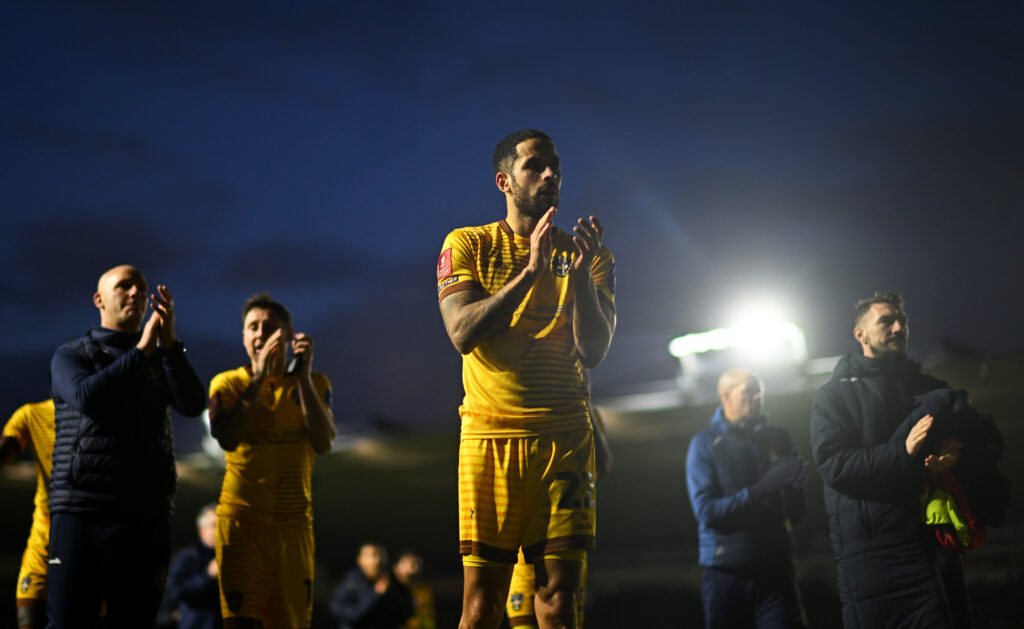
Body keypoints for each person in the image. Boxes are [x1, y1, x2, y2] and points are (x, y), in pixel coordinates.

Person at [437, 129, 616, 629]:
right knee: (482, 605)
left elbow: (595, 351)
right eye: (535, 165)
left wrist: (577, 276)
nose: (550, 174)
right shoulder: (467, 244)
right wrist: (532, 271)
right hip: (491, 438)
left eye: (555, 165)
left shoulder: (592, 254)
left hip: (564, 437)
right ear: (504, 181)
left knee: (559, 599)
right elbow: (461, 332)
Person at [810, 291, 987, 628]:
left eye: (901, 321)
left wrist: (957, 454)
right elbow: (835, 464)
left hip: (933, 552)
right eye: (886, 321)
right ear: (860, 334)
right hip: (873, 565)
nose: (897, 327)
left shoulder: (931, 388)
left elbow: (980, 446)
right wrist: (902, 451)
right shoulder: (834, 395)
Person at [47, 264, 207, 628]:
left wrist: (170, 345)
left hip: (145, 517)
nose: (136, 292)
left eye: (141, 287)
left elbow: (193, 404)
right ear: (98, 300)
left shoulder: (159, 358)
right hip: (82, 511)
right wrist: (143, 348)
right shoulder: (71, 355)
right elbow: (88, 398)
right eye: (124, 286)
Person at [209, 293, 335, 629]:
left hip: (293, 527)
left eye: (270, 326)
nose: (261, 334)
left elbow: (323, 442)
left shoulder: (316, 383)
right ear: (243, 336)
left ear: (289, 334)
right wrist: (260, 379)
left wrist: (304, 378)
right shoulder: (229, 384)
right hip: (242, 523)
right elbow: (228, 437)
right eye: (253, 327)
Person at [686, 369, 809, 629]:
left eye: (759, 392)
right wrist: (762, 489)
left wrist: (796, 490)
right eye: (748, 392)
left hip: (776, 572)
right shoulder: (705, 444)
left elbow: (795, 514)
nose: (757, 397)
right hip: (726, 573)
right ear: (726, 398)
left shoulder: (778, 438)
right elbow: (707, 512)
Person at [505, 401, 613, 629]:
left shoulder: (586, 412)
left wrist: (584, 398)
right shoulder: (519, 401)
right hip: (522, 553)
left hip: (563, 541)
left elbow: (601, 465)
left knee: (562, 617)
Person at [1, 400, 55, 629]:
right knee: (27, 618)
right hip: (42, 541)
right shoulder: (32, 414)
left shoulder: (102, 413)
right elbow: (7, 447)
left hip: (86, 541)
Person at [330, 544, 413, 629]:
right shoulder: (350, 584)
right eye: (372, 556)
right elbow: (348, 616)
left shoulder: (391, 583)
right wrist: (375, 594)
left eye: (381, 556)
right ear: (360, 560)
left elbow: (401, 616)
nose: (377, 560)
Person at [165, 504, 222, 629]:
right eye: (214, 525)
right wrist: (208, 575)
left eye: (223, 525)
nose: (220, 530)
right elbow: (175, 591)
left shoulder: (231, 557)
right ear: (202, 530)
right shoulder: (186, 558)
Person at [392, 552, 436, 629]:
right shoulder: (387, 590)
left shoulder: (424, 592)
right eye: (410, 563)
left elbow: (429, 619)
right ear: (396, 567)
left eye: (418, 563)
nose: (415, 566)